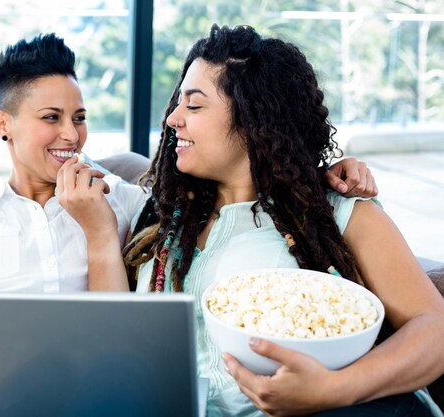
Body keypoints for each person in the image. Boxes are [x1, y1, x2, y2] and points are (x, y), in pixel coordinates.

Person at [0, 32, 376, 359]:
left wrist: (323, 171)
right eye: (50, 119)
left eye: (79, 118)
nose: (71, 136)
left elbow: (234, 175)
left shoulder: (125, 202)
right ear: (3, 125)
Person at [65, 25, 444, 416]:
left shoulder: (335, 211)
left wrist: (333, 390)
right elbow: (116, 351)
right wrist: (100, 233)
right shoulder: (162, 220)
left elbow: (435, 329)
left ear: (253, 119)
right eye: (177, 103)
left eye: (193, 106)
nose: (173, 118)